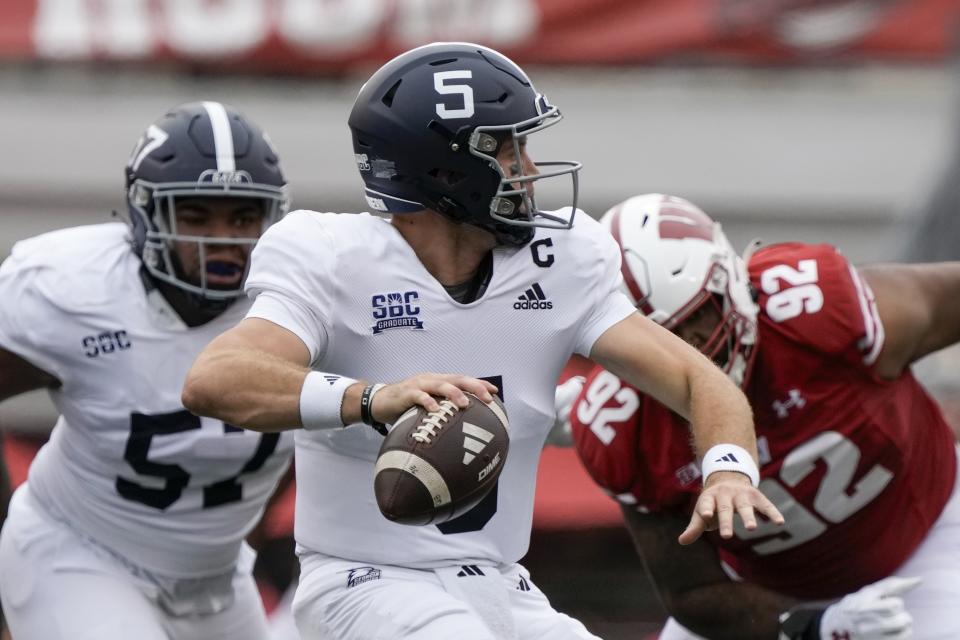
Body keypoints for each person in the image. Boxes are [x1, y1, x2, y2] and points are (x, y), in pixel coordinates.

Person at [181, 42, 783, 640]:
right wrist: (372, 398)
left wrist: (728, 469)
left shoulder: (562, 259)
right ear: (443, 170)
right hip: (361, 583)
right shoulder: (334, 257)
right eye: (507, 146)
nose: (527, 166)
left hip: (499, 581)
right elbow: (217, 378)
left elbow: (697, 378)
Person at [570, 193, 960, 640]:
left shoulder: (821, 309)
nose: (693, 352)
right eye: (664, 338)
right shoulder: (620, 427)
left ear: (731, 280)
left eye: (700, 316)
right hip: (764, 594)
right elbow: (694, 591)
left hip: (928, 540)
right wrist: (813, 626)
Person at [0, 101, 295, 640]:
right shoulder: (72, 290)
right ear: (146, 213)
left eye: (242, 216)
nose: (223, 238)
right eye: (197, 215)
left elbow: (298, 445)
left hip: (216, 580)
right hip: (80, 556)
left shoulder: (301, 299)